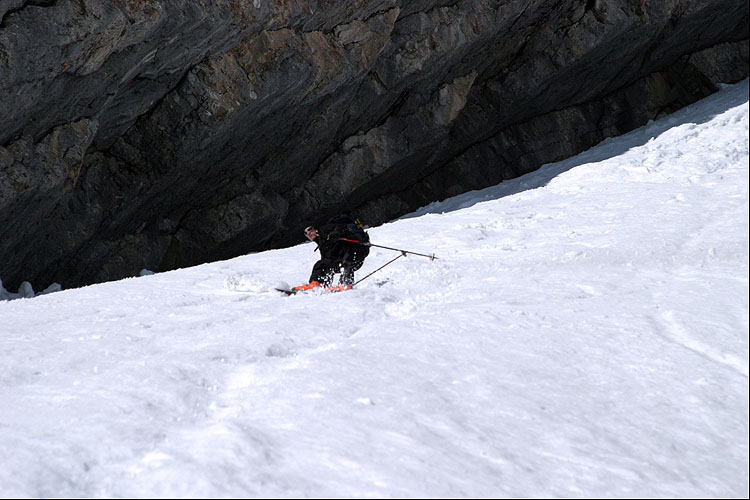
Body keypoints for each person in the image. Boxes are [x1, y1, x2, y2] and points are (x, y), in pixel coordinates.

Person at [295, 214, 370, 290]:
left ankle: (345, 284)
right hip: (341, 259)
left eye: (310, 230)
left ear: (315, 228)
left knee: (347, 261)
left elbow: (341, 234)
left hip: (355, 253)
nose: (309, 233)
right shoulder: (322, 243)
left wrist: (335, 235)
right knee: (321, 264)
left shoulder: (325, 230)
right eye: (306, 234)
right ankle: (317, 284)